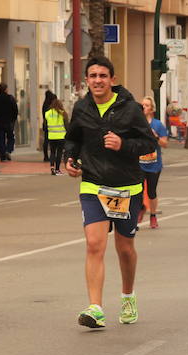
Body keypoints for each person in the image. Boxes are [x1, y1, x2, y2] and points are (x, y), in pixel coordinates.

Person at [63, 56, 158, 329]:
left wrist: (123, 144)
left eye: (102, 75)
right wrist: (70, 158)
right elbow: (73, 138)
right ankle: (95, 308)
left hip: (126, 186)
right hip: (93, 183)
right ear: (87, 80)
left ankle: (128, 296)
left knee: (125, 248)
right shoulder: (82, 108)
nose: (97, 80)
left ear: (112, 80)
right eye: (92, 76)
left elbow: (148, 143)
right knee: (94, 243)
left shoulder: (130, 109)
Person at [139, 95, 168, 229]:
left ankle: (153, 216)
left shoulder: (157, 124)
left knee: (151, 192)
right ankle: (139, 210)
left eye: (146, 105)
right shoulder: (137, 123)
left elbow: (165, 143)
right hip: (138, 163)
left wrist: (155, 136)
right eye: (142, 105)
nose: (143, 107)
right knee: (137, 191)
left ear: (152, 109)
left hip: (153, 164)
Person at [0, 82, 18, 161]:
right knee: (11, 137)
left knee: (0, 138)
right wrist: (13, 120)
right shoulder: (10, 98)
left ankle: (2, 155)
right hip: (9, 122)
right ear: (6, 89)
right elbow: (15, 110)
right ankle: (8, 150)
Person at [44, 98, 68, 175]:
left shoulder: (47, 113)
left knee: (52, 152)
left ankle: (52, 167)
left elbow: (45, 125)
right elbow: (66, 125)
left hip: (51, 136)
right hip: (61, 136)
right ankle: (57, 169)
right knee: (59, 153)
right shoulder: (63, 113)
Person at [41, 90, 57, 162]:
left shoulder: (44, 104)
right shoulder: (51, 106)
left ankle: (46, 156)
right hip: (52, 125)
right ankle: (52, 155)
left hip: (46, 124)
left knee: (46, 141)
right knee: (52, 141)